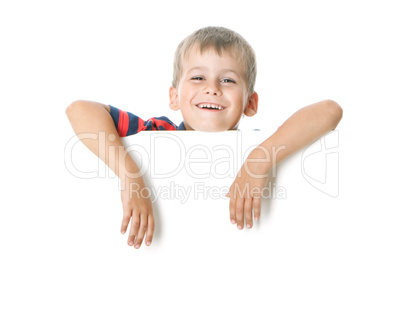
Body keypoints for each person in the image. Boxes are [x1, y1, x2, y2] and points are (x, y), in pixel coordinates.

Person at [66, 26, 343, 249]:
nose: (212, 89)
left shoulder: (263, 144)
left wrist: (259, 160)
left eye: (228, 80)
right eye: (198, 78)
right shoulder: (157, 132)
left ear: (251, 103)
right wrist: (129, 175)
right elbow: (79, 109)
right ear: (174, 97)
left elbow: (330, 111)